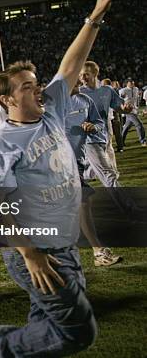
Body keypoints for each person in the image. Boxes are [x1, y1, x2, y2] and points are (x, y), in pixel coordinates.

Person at [0, 0, 116, 358]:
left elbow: (72, 66)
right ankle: (1, 346)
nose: (38, 87)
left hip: (64, 241)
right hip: (33, 248)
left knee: (50, 324)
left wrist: (95, 17)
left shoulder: (51, 108)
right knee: (78, 332)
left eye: (36, 81)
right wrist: (30, 254)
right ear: (6, 100)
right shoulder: (0, 146)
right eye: (27, 86)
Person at [65, 81, 122, 266]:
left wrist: (93, 127)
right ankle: (98, 251)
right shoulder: (51, 103)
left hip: (77, 161)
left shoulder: (84, 100)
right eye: (75, 77)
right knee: (82, 201)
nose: (80, 82)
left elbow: (98, 122)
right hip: (58, 164)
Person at [119, 79, 146, 146]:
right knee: (139, 125)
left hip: (134, 110)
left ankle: (121, 142)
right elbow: (118, 99)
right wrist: (123, 106)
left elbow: (137, 98)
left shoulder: (136, 89)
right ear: (127, 83)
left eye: (133, 83)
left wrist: (137, 106)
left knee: (126, 127)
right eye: (131, 83)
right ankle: (143, 141)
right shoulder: (123, 90)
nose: (132, 84)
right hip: (128, 111)